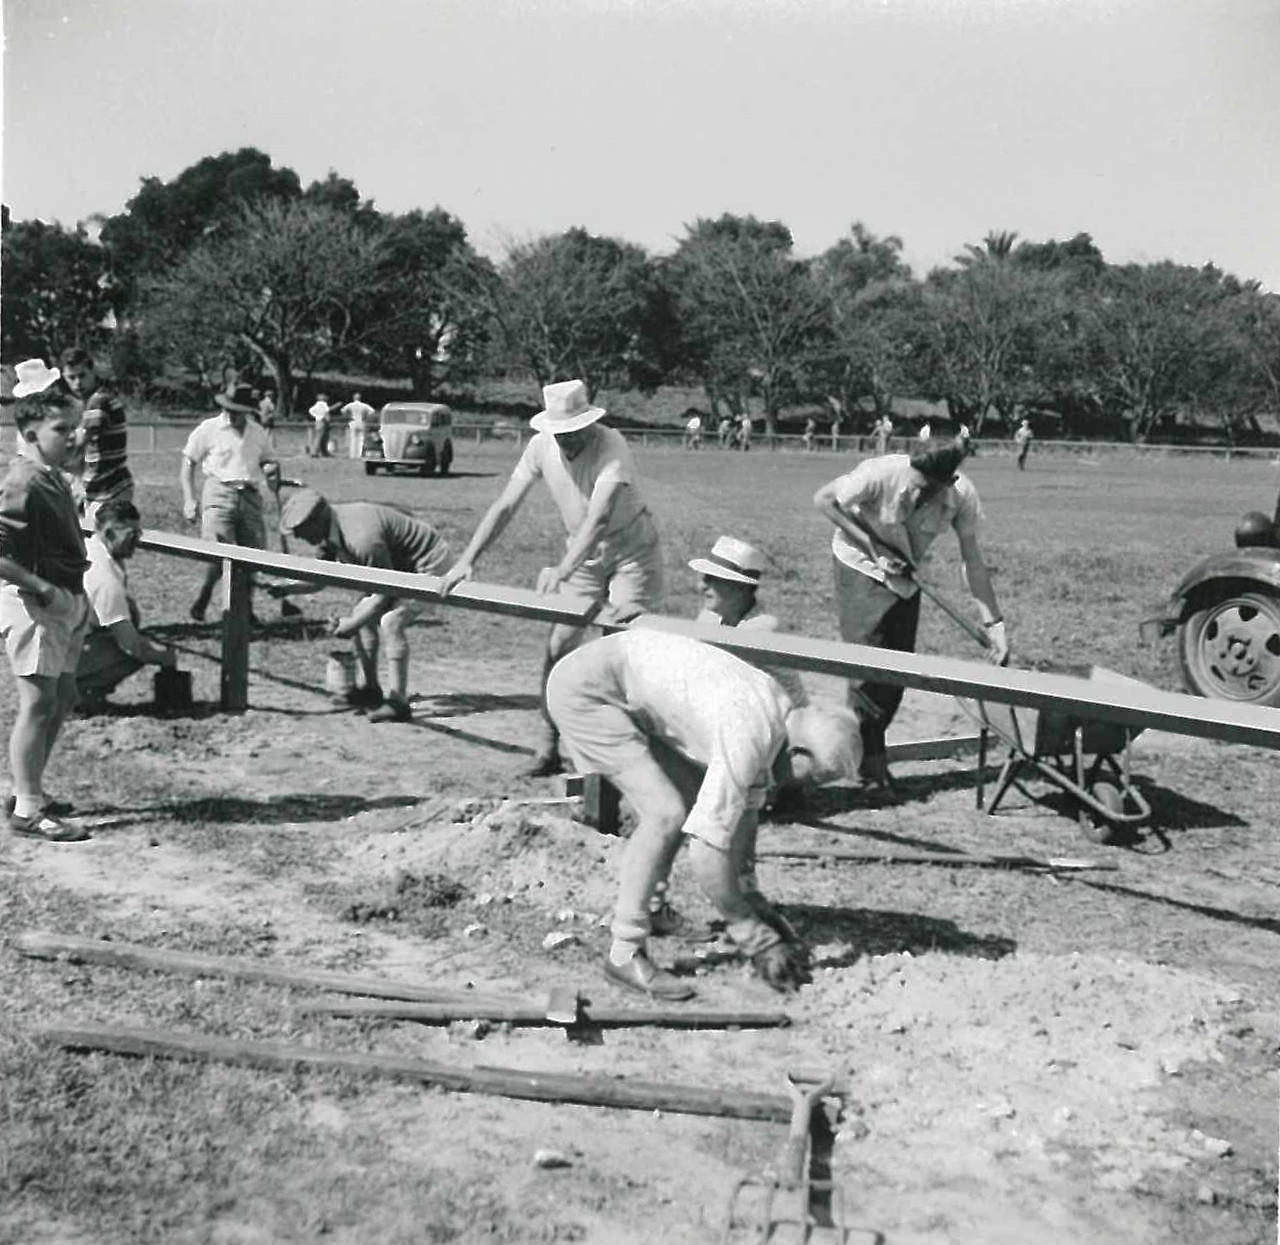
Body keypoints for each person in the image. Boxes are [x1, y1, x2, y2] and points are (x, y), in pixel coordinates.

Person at [546, 629, 860, 999]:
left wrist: (748, 891)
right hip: (587, 690)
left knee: (689, 801)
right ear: (800, 753)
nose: (808, 788)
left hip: (625, 682)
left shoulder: (775, 713)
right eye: (816, 778)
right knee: (665, 814)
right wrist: (750, 933)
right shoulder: (749, 732)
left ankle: (653, 907)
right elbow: (706, 851)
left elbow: (744, 811)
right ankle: (624, 952)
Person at [440, 379, 664, 775]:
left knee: (621, 650)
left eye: (574, 432)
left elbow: (597, 521)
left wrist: (562, 569)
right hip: (583, 558)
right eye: (560, 433)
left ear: (589, 424)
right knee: (559, 647)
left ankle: (627, 761)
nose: (567, 441)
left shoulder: (612, 447)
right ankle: (548, 745)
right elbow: (506, 505)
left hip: (631, 552)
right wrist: (467, 559)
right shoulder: (540, 447)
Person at [813, 436, 1009, 792]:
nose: (917, 493)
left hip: (905, 575)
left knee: (898, 670)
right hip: (859, 565)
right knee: (867, 666)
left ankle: (868, 751)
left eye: (926, 490)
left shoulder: (962, 496)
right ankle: (868, 764)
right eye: (915, 484)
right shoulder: (880, 473)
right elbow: (824, 500)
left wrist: (993, 623)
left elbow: (973, 560)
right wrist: (872, 546)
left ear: (948, 482)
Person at [0, 361, 93, 842]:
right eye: (62, 430)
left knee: (62, 697)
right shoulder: (23, 480)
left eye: (76, 428)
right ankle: (28, 809)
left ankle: (28, 787)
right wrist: (40, 588)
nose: (73, 438)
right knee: (38, 702)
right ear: (29, 432)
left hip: (64, 600)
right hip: (36, 603)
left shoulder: (49, 473)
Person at [275, 488, 451, 723]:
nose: (297, 537)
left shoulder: (361, 538)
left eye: (299, 531)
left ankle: (398, 702)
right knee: (362, 614)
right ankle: (370, 690)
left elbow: (383, 593)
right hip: (398, 566)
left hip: (429, 562)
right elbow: (321, 578)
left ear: (317, 521)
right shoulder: (328, 530)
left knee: (391, 621)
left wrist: (351, 625)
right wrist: (285, 588)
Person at [180, 382, 280, 621]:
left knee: (252, 557)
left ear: (247, 410)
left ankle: (245, 609)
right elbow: (188, 463)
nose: (232, 414)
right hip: (219, 493)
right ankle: (212, 600)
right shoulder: (209, 429)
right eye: (229, 409)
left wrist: (270, 468)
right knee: (220, 551)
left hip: (249, 496)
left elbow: (267, 459)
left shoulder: (258, 432)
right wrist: (188, 499)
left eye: (238, 410)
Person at [76, 499, 179, 709]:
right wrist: (164, 658)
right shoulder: (103, 575)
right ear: (110, 533)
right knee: (134, 652)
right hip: (60, 655)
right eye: (131, 536)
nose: (137, 542)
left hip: (60, 644)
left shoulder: (94, 550)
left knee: (131, 622)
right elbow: (130, 645)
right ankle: (78, 694)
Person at [58, 346, 134, 523]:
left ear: (92, 371)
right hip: (102, 487)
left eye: (82, 375)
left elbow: (78, 442)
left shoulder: (98, 401)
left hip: (109, 489)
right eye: (71, 377)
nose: (77, 383)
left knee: (100, 547)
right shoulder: (93, 400)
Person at [343, 392, 374, 459]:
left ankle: (352, 455)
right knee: (361, 439)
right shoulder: (364, 405)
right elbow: (372, 411)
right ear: (360, 398)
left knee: (353, 438)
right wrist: (365, 416)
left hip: (353, 422)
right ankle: (359, 454)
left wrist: (349, 416)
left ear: (353, 398)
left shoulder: (350, 405)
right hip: (361, 422)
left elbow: (343, 410)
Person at [308, 393, 334, 458]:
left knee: (320, 438)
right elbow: (327, 414)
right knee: (321, 438)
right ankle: (315, 453)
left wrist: (316, 416)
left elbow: (310, 411)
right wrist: (328, 421)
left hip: (317, 422)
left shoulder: (317, 405)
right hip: (323, 422)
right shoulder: (324, 405)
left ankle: (323, 452)